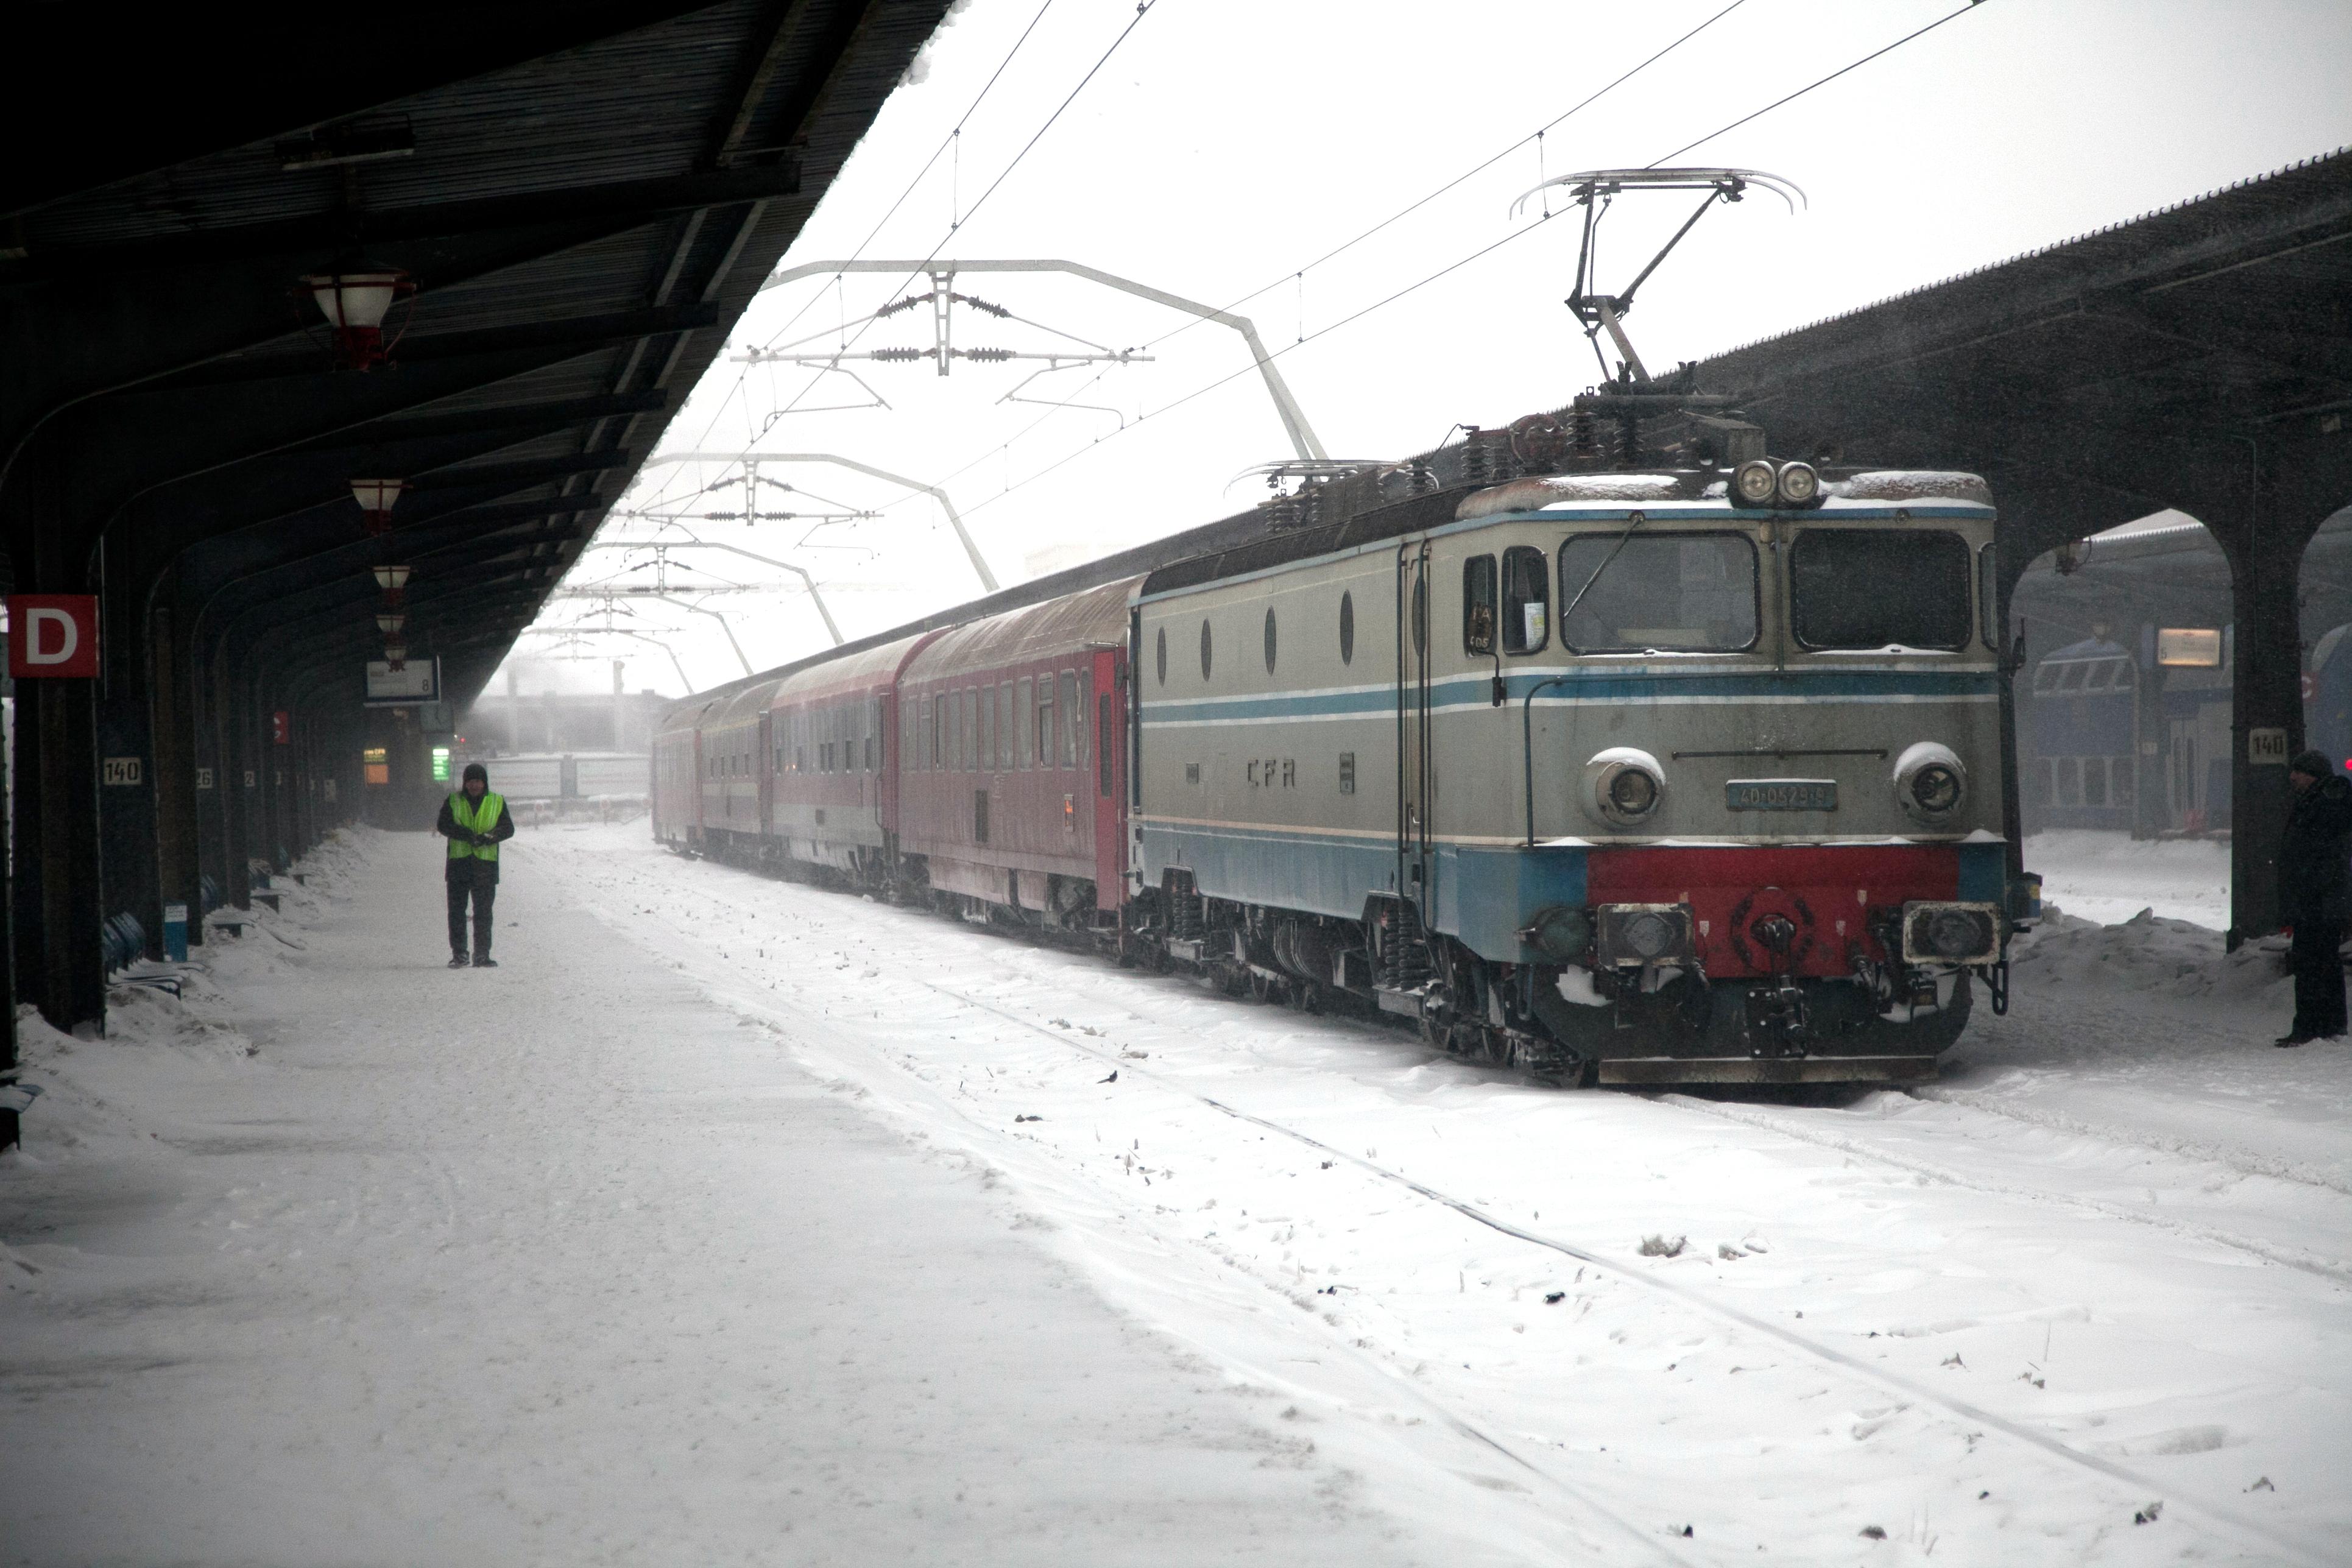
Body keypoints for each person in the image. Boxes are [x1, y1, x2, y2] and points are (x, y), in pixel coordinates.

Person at [2276, 749, 2352, 1046]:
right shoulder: (2323, 801)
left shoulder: (2323, 805)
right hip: (2322, 900)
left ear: (2313, 775)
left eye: (2299, 771)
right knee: (2324, 963)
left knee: (2310, 964)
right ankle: (2330, 1025)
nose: (2293, 777)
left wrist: (2307, 893)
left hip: (2318, 901)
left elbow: (2317, 857)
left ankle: (2309, 1027)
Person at [436, 762, 515, 968]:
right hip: (459, 866)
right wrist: (466, 835)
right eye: (470, 782)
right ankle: (460, 954)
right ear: (465, 783)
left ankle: (482, 955)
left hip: (485, 867)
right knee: (456, 912)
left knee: (483, 913)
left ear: (484, 783)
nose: (474, 785)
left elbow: (508, 828)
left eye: (478, 781)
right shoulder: (454, 800)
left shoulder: (497, 801)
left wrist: (488, 838)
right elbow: (443, 824)